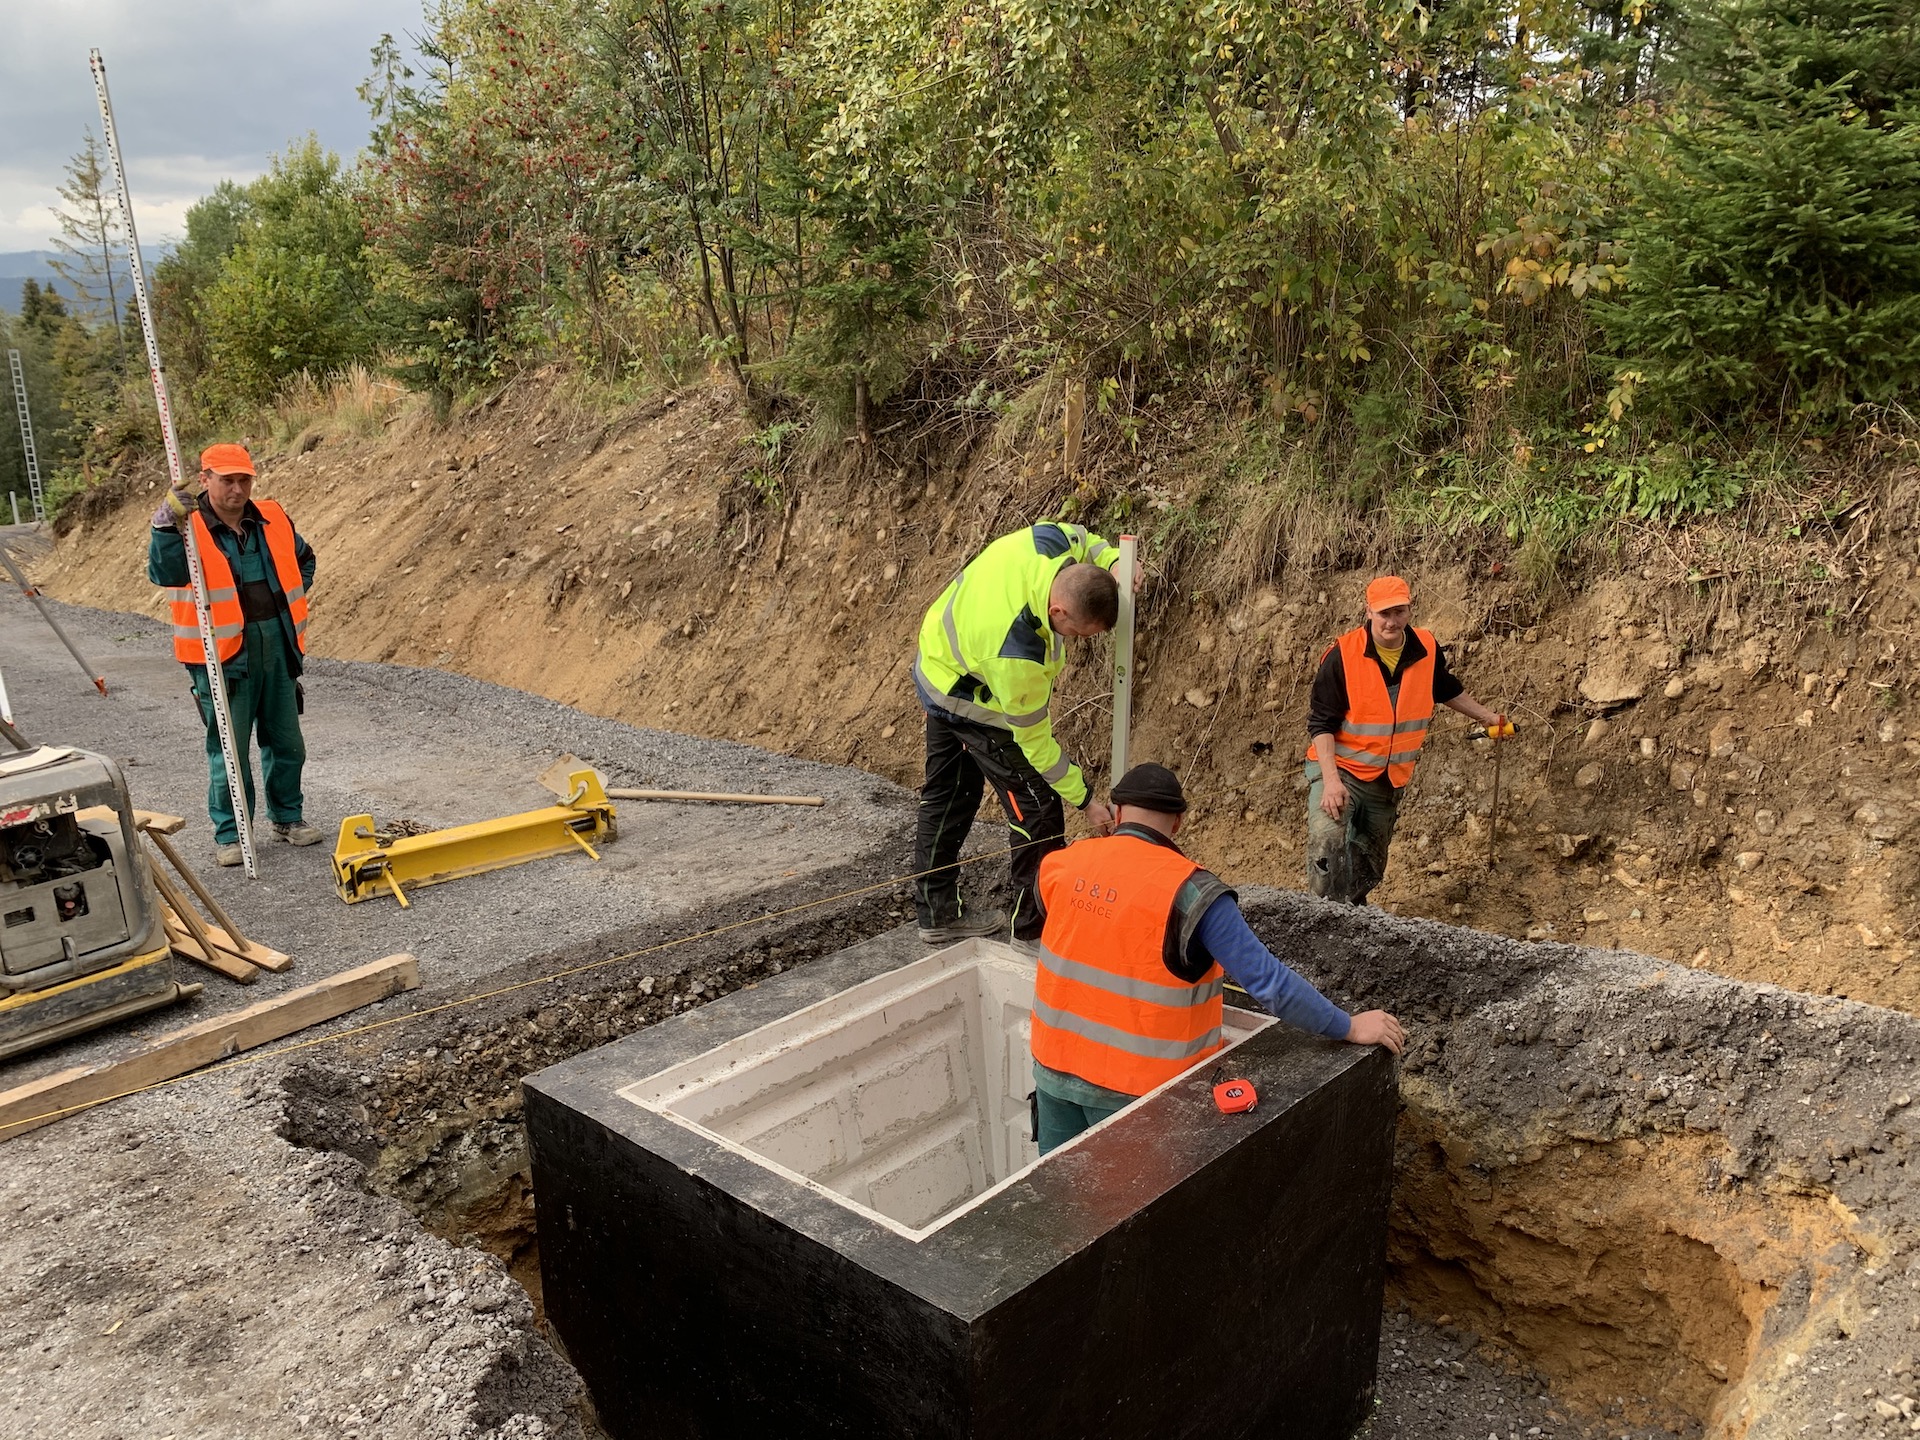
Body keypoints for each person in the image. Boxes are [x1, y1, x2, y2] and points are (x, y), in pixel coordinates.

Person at [1028, 762, 1404, 1153]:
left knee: (1061, 1205)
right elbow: (1269, 983)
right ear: (1178, 823)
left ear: (1117, 812)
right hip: (1135, 1098)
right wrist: (1348, 1026)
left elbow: (1095, 942)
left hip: (1053, 1073)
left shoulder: (1061, 864)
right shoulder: (1191, 893)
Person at [912, 521, 1126, 944]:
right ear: (1058, 613)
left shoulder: (1048, 542)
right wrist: (1087, 800)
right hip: (967, 697)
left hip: (940, 657)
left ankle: (937, 914)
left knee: (950, 793)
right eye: (1078, 634)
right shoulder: (1019, 654)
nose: (1077, 642)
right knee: (1039, 810)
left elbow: (1082, 537)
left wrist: (1115, 560)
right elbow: (1035, 745)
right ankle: (1031, 935)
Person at [149, 443, 320, 866]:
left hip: (277, 648)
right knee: (228, 748)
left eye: (244, 479)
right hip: (221, 657)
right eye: (227, 480)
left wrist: (283, 602)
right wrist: (163, 527)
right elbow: (164, 573)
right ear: (205, 480)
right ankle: (231, 834)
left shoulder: (272, 517)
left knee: (286, 743)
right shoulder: (186, 527)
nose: (237, 488)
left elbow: (305, 561)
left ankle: (288, 818)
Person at [1304, 575, 1511, 905]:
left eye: (1398, 612)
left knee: (1370, 862)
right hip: (1338, 769)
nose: (1391, 621)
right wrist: (1330, 781)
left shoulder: (1426, 648)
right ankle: (1321, 916)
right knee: (1327, 843)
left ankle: (1351, 912)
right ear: (1369, 611)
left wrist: (1487, 717)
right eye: (1384, 613)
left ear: (1409, 611)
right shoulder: (1342, 655)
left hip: (1387, 779)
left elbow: (1444, 688)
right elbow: (1321, 723)